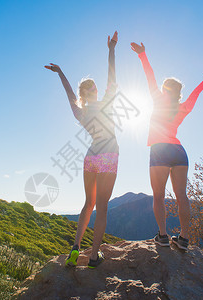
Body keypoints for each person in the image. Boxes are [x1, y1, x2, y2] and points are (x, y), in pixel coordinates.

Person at [131, 41, 203, 250]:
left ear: (165, 89)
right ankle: (184, 238)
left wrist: (143, 55)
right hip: (179, 151)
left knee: (158, 195)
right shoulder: (184, 107)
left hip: (159, 150)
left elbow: (150, 77)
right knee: (181, 196)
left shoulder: (157, 99)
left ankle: (163, 236)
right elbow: (198, 91)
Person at [45, 31, 119, 268]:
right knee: (103, 206)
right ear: (95, 91)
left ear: (82, 95)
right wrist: (111, 49)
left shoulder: (81, 112)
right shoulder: (106, 102)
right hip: (109, 155)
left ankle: (76, 247)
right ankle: (95, 256)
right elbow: (112, 78)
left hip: (91, 156)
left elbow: (69, 94)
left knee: (88, 203)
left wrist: (61, 73)